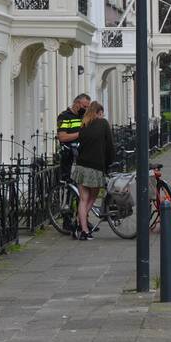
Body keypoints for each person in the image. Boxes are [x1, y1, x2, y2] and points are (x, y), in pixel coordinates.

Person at [69, 101, 115, 241]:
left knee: (83, 200)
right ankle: (81, 225)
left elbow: (80, 145)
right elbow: (110, 146)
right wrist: (109, 164)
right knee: (92, 198)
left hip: (81, 166)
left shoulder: (83, 125)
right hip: (95, 167)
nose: (102, 116)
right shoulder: (103, 124)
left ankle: (82, 229)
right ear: (98, 112)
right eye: (102, 113)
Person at [57, 93, 91, 178]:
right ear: (77, 103)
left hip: (83, 155)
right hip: (69, 156)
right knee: (70, 181)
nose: (86, 109)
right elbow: (62, 137)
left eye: (88, 107)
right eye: (84, 107)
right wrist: (80, 134)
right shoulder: (64, 116)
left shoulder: (84, 117)